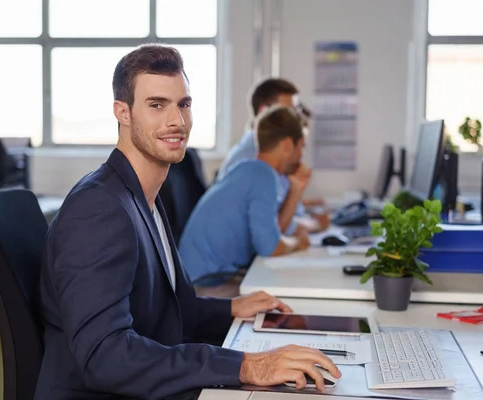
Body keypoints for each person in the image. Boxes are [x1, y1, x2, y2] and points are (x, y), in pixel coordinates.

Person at [34, 44, 340, 400]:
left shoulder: (143, 195)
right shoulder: (99, 209)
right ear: (123, 112)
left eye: (184, 104)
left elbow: (158, 309)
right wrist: (247, 366)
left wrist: (231, 308)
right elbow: (105, 356)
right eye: (156, 105)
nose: (176, 121)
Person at [179, 105, 313, 287]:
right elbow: (270, 247)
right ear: (288, 145)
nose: (302, 156)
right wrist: (297, 242)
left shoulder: (250, 170)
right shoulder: (263, 176)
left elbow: (276, 231)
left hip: (208, 276)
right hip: (206, 284)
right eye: (301, 147)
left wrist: (295, 190)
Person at [215, 78, 328, 234]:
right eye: (290, 111)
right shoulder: (252, 158)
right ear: (264, 112)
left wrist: (306, 204)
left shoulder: (268, 149)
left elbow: (276, 205)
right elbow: (273, 225)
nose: (297, 118)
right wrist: (315, 225)